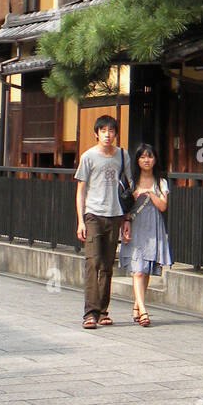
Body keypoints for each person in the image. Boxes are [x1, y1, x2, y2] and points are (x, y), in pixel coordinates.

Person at [74, 115, 132, 330]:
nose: (108, 134)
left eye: (111, 130)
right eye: (103, 130)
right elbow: (80, 190)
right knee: (93, 262)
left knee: (107, 265)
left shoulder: (122, 156)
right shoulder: (88, 157)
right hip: (93, 214)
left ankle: (103, 311)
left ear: (116, 133)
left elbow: (129, 189)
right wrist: (81, 220)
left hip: (115, 214)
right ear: (96, 133)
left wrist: (127, 218)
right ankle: (90, 313)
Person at [117, 143, 172, 327]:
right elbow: (125, 206)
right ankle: (144, 310)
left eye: (149, 156)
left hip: (153, 226)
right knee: (138, 269)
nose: (146, 160)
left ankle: (136, 305)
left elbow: (163, 206)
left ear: (155, 159)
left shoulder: (160, 182)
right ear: (137, 160)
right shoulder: (132, 181)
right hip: (136, 225)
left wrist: (149, 193)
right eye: (142, 157)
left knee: (146, 268)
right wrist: (125, 223)